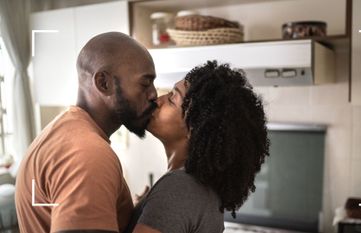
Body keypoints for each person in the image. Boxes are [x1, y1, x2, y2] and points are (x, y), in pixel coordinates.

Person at [15, 32, 158, 233]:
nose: (154, 94)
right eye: (145, 83)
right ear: (103, 83)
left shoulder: (67, 133)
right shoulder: (87, 154)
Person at [127, 61, 270, 233]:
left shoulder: (178, 188)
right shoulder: (199, 190)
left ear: (195, 127)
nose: (157, 100)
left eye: (172, 98)